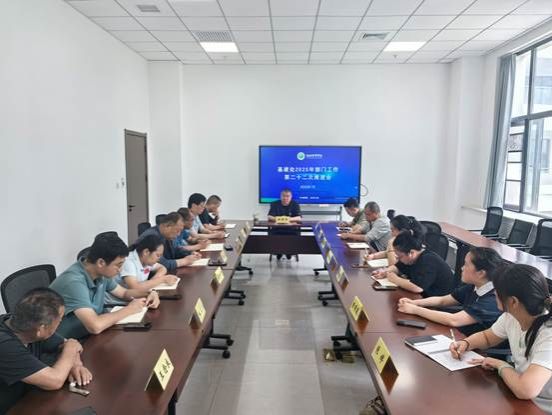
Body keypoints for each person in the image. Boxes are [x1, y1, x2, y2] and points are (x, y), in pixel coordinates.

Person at [449, 264, 552, 412]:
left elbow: (525, 390)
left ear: (513, 302)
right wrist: (466, 343)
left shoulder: (548, 333)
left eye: (496, 292)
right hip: (523, 399)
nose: (494, 294)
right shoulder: (511, 316)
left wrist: (501, 365)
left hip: (542, 407)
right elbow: (487, 337)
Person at [50, 233, 160, 339]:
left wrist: (149, 293)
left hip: (90, 335)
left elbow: (123, 293)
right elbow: (95, 326)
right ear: (101, 263)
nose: (120, 270)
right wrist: (130, 309)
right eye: (118, 265)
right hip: (67, 343)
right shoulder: (73, 283)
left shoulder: (100, 273)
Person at [0, 288, 92, 413]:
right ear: (41, 329)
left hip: (27, 394)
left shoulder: (25, 322)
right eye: (59, 320)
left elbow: (69, 345)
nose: (60, 322)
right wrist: (71, 348)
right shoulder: (5, 345)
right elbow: (54, 381)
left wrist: (76, 365)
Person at [398, 247, 503, 335]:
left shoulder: (492, 299)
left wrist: (415, 309)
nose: (462, 268)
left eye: (466, 265)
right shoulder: (475, 286)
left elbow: (454, 320)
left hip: (477, 348)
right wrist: (414, 302)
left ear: (481, 273)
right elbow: (443, 300)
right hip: (461, 336)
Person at [373, 231, 454, 297]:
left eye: (399, 257)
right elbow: (397, 267)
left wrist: (395, 279)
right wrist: (386, 271)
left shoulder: (427, 260)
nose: (397, 258)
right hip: (423, 296)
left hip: (439, 302)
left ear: (411, 253)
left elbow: (417, 287)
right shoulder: (410, 257)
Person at [104, 234, 179, 305]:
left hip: (134, 299)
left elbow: (162, 268)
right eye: (158, 255)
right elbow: (135, 288)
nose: (159, 259)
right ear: (146, 252)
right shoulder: (129, 262)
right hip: (117, 303)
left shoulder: (146, 260)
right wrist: (161, 280)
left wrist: (152, 283)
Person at [267, 189, 302, 260]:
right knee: (274, 236)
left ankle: (289, 252)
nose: (285, 198)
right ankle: (278, 252)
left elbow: (299, 218)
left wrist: (287, 219)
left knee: (293, 237)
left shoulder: (295, 204)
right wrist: (279, 219)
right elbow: (269, 216)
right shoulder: (274, 204)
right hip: (277, 229)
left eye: (287, 196)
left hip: (291, 230)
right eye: (283, 196)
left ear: (291, 197)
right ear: (280, 196)